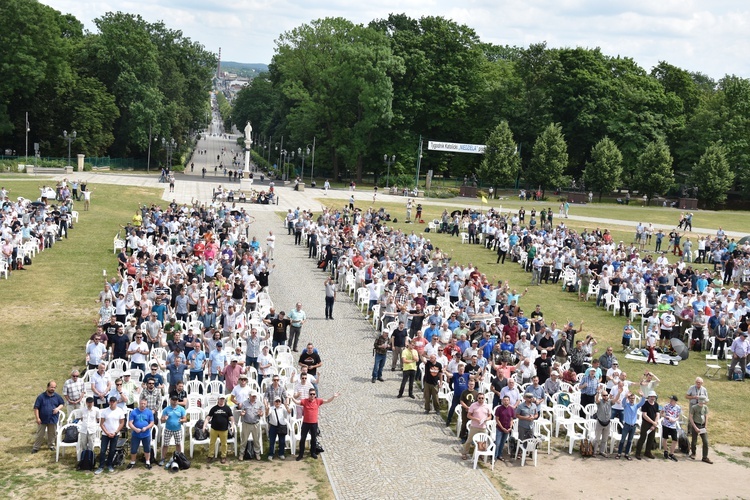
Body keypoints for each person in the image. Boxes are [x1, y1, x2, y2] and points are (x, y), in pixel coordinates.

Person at [295, 388, 340, 461]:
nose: (312, 395)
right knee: (302, 439)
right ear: (308, 394)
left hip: (314, 423)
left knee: (313, 439)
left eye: (313, 394)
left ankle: (312, 453)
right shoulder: (305, 401)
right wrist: (291, 398)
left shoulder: (318, 401)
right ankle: (301, 454)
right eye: (311, 394)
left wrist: (333, 397)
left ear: (315, 395)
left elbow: (328, 401)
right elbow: (297, 402)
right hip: (306, 423)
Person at [32, 380, 65, 454]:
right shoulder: (41, 397)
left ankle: (51, 445)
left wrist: (58, 408)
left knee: (52, 433)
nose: (52, 389)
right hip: (42, 419)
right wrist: (37, 418)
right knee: (40, 434)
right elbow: (36, 408)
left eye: (54, 387)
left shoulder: (57, 396)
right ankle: (36, 447)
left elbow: (62, 403)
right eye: (51, 387)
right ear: (47, 387)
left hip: (53, 419)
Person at [94, 396, 125, 474]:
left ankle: (109, 464)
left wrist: (115, 432)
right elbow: (102, 424)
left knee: (112, 450)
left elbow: (122, 423)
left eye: (114, 401)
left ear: (116, 402)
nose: (112, 403)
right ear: (109, 402)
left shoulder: (120, 411)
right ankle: (101, 466)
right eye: (111, 401)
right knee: (103, 450)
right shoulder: (105, 411)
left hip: (115, 433)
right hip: (105, 434)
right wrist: (107, 432)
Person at [461, 392, 492, 461]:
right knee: (469, 440)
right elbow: (468, 415)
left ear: (484, 399)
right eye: (479, 398)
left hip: (483, 426)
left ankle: (481, 454)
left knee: (482, 441)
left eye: (482, 398)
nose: (481, 399)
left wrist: (486, 419)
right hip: (474, 426)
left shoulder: (487, 406)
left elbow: (490, 416)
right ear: (477, 398)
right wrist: (476, 419)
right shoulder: (473, 405)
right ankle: (464, 453)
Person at [205, 395, 234, 464]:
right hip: (214, 429)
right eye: (220, 399)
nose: (222, 400)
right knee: (212, 443)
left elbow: (232, 418)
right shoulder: (214, 408)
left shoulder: (227, 408)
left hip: (224, 429)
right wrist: (204, 425)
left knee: (224, 444)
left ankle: (223, 456)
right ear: (218, 399)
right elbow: (208, 417)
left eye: (223, 399)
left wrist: (232, 426)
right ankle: (210, 455)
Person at [127, 397, 155, 469]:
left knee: (147, 448)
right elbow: (130, 423)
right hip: (136, 434)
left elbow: (152, 423)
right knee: (134, 448)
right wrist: (135, 429)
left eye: (144, 404)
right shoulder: (134, 412)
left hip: (146, 434)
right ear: (139, 403)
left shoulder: (149, 412)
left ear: (146, 404)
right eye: (141, 403)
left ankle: (147, 461)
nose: (143, 405)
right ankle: (132, 462)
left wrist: (146, 427)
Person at [159, 395, 187, 466]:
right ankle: (163, 458)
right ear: (170, 400)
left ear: (177, 401)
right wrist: (164, 419)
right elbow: (161, 420)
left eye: (176, 400)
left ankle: (179, 458)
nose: (174, 402)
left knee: (178, 444)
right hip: (168, 429)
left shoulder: (181, 409)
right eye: (173, 400)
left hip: (177, 429)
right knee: (165, 444)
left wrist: (181, 420)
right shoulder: (166, 409)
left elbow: (185, 419)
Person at [616, 391, 645, 460]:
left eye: (633, 398)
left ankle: (627, 454)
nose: (632, 399)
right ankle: (619, 453)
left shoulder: (636, 406)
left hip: (633, 426)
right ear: (629, 399)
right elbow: (623, 402)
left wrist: (643, 396)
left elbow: (642, 403)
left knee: (630, 441)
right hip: (626, 425)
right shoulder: (626, 405)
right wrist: (626, 396)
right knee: (622, 440)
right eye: (631, 398)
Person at [238, 392, 264, 460]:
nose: (254, 398)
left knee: (256, 440)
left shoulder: (260, 404)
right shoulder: (244, 403)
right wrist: (242, 413)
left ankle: (257, 454)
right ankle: (241, 454)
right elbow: (242, 412)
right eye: (252, 396)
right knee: (244, 440)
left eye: (255, 396)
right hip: (246, 424)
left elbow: (262, 414)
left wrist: (261, 414)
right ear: (249, 396)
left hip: (256, 424)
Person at [634, 391, 659, 460]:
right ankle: (638, 453)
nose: (652, 398)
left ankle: (648, 452)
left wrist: (655, 423)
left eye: (653, 397)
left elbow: (657, 414)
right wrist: (653, 422)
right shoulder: (645, 404)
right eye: (651, 397)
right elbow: (644, 415)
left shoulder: (656, 404)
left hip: (653, 423)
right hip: (646, 423)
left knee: (651, 438)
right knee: (642, 437)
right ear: (649, 397)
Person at [266, 395, 291, 460]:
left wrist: (287, 407)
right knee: (272, 441)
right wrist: (267, 408)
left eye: (279, 401)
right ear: (274, 402)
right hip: (273, 426)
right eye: (276, 401)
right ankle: (271, 454)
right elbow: (267, 414)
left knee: (282, 441)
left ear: (280, 402)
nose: (277, 403)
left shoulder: (283, 408)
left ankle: (281, 453)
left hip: (281, 426)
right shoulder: (271, 408)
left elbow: (287, 414)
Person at [689, 396, 713, 463]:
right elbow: (690, 417)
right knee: (694, 441)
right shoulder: (694, 407)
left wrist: (705, 426)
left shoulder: (705, 407)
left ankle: (705, 457)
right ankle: (693, 453)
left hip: (702, 426)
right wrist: (695, 427)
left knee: (705, 442)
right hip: (696, 424)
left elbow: (706, 416)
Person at [660, 395, 682, 461]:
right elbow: (661, 413)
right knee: (665, 438)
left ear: (675, 401)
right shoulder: (666, 406)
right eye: (670, 400)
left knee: (675, 439)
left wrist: (674, 420)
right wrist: (666, 417)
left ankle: (671, 453)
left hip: (673, 425)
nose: (670, 401)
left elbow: (678, 416)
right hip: (666, 424)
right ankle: (665, 451)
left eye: (672, 400)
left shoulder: (678, 408)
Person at [494, 395, 515, 461]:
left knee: (502, 443)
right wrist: (502, 428)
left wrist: (510, 427)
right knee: (497, 443)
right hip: (500, 428)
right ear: (502, 401)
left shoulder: (511, 409)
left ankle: (499, 455)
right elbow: (497, 419)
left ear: (509, 401)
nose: (506, 401)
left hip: (507, 429)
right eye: (504, 400)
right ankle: (494, 456)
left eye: (507, 400)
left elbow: (511, 419)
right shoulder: (499, 409)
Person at [593, 387, 611, 457]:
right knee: (597, 438)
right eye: (604, 395)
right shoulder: (599, 402)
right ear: (602, 396)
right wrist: (598, 392)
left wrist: (619, 393)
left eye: (606, 395)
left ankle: (602, 451)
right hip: (600, 422)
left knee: (604, 439)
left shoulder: (610, 402)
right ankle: (594, 451)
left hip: (607, 423)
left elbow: (615, 400)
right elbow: (596, 399)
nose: (605, 396)